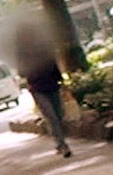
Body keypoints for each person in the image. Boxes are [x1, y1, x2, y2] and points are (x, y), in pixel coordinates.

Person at [13, 18, 72, 158]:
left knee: (59, 115)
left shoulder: (43, 46)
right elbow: (21, 72)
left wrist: (62, 81)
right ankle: (62, 145)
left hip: (52, 84)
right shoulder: (21, 52)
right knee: (52, 117)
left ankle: (59, 142)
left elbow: (53, 63)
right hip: (37, 88)